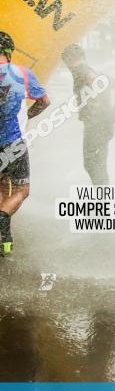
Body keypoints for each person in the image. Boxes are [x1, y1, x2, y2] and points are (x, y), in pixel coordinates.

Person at [0, 32, 50, 256]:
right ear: (9, 52)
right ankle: (2, 219)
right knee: (22, 189)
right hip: (13, 143)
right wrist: (30, 115)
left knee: (1, 187)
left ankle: (5, 240)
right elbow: (45, 101)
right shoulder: (22, 73)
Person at [61, 44, 115, 185]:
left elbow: (95, 81)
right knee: (98, 162)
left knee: (91, 162)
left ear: (69, 60)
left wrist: (101, 109)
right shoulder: (89, 69)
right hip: (101, 123)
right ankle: (102, 197)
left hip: (97, 124)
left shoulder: (81, 70)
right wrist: (113, 107)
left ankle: (102, 198)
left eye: (66, 62)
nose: (67, 66)